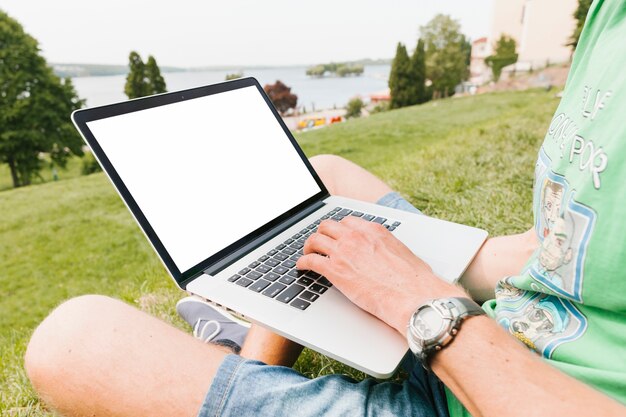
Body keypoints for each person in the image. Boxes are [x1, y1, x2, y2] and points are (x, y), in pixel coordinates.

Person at [23, 1, 626, 416]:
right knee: (330, 177)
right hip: (507, 324)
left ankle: (245, 363)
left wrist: (420, 298)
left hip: (484, 394)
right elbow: (568, 246)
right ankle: (254, 344)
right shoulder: (606, 16)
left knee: (70, 341)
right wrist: (436, 251)